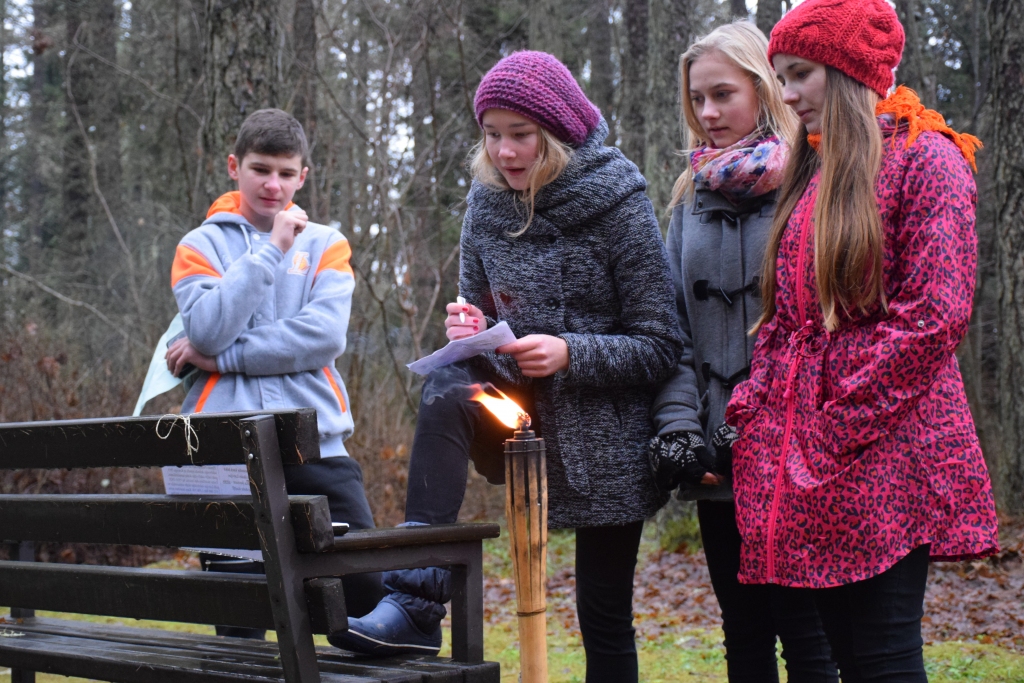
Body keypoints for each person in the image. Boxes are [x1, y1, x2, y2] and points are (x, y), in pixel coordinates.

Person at [330, 51, 683, 683]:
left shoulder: (620, 201)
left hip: (607, 445)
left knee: (604, 618)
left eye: (521, 135)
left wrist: (570, 351)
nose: (506, 151)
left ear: (560, 134)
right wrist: (472, 336)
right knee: (445, 384)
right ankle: (414, 604)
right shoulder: (484, 206)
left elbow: (659, 343)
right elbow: (485, 324)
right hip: (517, 422)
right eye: (492, 134)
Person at [721, 1, 1000, 680]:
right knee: (845, 653)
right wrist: (759, 406)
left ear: (846, 72)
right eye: (780, 76)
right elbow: (788, 319)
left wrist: (834, 419)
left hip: (887, 453)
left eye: (800, 75)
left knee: (881, 656)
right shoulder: (813, 171)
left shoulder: (929, 160)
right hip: (815, 461)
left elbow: (934, 316)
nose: (784, 95)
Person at [648, 21, 838, 683]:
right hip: (714, 463)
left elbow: (826, 331)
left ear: (765, 89)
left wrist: (763, 429)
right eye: (697, 98)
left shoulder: (815, 185)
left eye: (722, 94)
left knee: (810, 639)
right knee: (744, 633)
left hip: (798, 457)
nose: (707, 113)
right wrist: (681, 430)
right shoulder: (687, 197)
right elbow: (671, 333)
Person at [166, 108, 382, 637]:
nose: (273, 184)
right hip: (225, 451)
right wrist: (271, 251)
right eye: (261, 169)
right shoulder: (198, 246)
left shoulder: (328, 244)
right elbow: (211, 327)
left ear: (303, 175)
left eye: (287, 173)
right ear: (233, 166)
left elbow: (324, 337)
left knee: (369, 600)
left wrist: (223, 359)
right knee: (242, 624)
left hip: (317, 443)